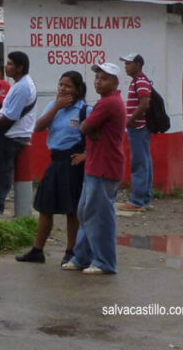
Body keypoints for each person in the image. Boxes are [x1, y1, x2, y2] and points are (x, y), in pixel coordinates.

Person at [16, 71, 90, 266]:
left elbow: (98, 138)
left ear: (78, 89)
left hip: (72, 163)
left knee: (71, 210)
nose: (63, 89)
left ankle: (71, 251)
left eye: (68, 86)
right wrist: (56, 107)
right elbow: (39, 127)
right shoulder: (53, 106)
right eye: (61, 85)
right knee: (45, 207)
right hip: (55, 161)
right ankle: (37, 250)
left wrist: (86, 155)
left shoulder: (84, 110)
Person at [64, 62, 127, 275]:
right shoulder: (107, 102)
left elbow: (83, 127)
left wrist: (91, 129)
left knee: (99, 216)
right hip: (96, 164)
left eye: (104, 78)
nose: (98, 82)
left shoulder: (108, 103)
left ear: (115, 82)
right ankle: (82, 257)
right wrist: (92, 130)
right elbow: (89, 129)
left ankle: (104, 262)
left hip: (104, 166)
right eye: (97, 78)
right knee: (86, 212)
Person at [0, 51, 37, 215]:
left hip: (11, 135)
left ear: (20, 68)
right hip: (15, 133)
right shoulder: (20, 84)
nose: (6, 66)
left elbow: (10, 116)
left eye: (10, 64)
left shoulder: (22, 87)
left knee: (1, 174)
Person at [120, 53, 153, 212]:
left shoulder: (140, 81)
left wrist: (131, 120)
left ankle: (137, 200)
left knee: (139, 163)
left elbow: (145, 103)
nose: (126, 66)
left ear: (138, 64)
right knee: (145, 162)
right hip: (140, 127)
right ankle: (145, 198)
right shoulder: (139, 81)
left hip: (138, 127)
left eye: (129, 63)